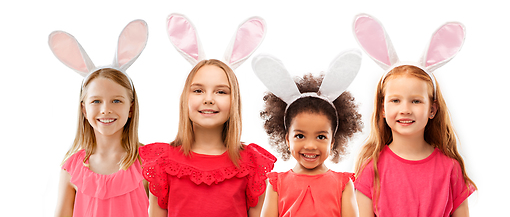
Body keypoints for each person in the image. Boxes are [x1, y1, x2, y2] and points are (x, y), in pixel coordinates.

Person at [140, 14, 275, 217]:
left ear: (234, 101)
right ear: (185, 98)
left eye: (221, 91)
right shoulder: (163, 162)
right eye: (198, 90)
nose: (209, 99)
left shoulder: (251, 164)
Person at [352, 14, 477, 216]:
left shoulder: (450, 169)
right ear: (383, 109)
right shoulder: (371, 169)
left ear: (432, 110)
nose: (405, 109)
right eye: (395, 100)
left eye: (416, 101)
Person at [50, 20, 150, 217]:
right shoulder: (72, 168)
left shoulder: (147, 163)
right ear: (84, 110)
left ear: (131, 108)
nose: (105, 110)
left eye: (116, 101)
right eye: (96, 101)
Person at [252, 52, 363, 217]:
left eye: (321, 137)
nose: (310, 145)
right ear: (287, 139)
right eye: (300, 136)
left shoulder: (343, 184)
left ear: (332, 141)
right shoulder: (276, 184)